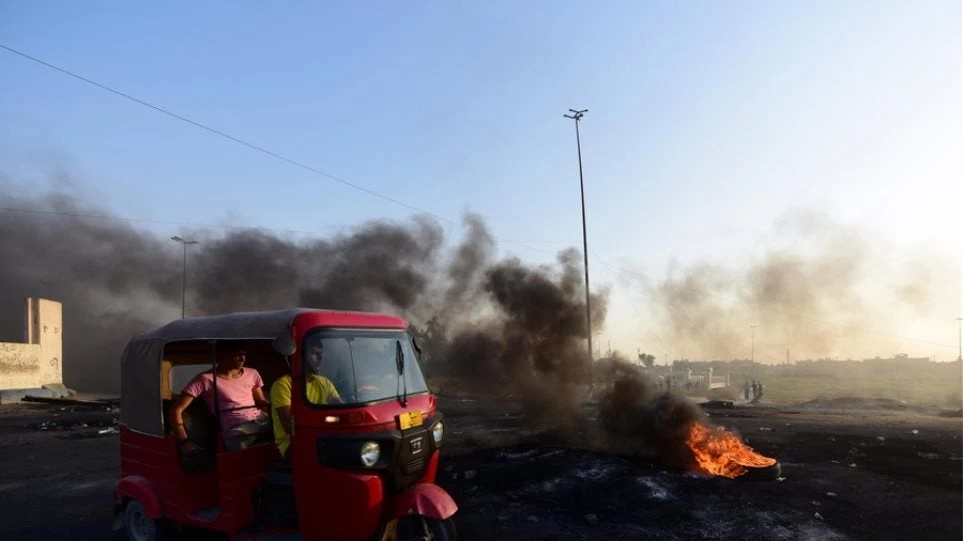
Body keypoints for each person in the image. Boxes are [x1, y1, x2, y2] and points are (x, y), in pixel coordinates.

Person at [170, 343, 270, 454]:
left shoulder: (252, 373)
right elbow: (176, 410)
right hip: (237, 428)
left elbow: (261, 401)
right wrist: (184, 442)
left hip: (261, 421)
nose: (243, 358)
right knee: (234, 443)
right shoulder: (205, 379)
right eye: (237, 355)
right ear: (222, 356)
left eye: (244, 354)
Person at [271, 343, 341, 460]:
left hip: (323, 437)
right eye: (314, 354)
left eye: (321, 354)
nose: (320, 359)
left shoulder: (324, 382)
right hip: (293, 444)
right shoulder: (283, 385)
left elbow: (340, 407)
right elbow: (290, 426)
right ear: (299, 357)